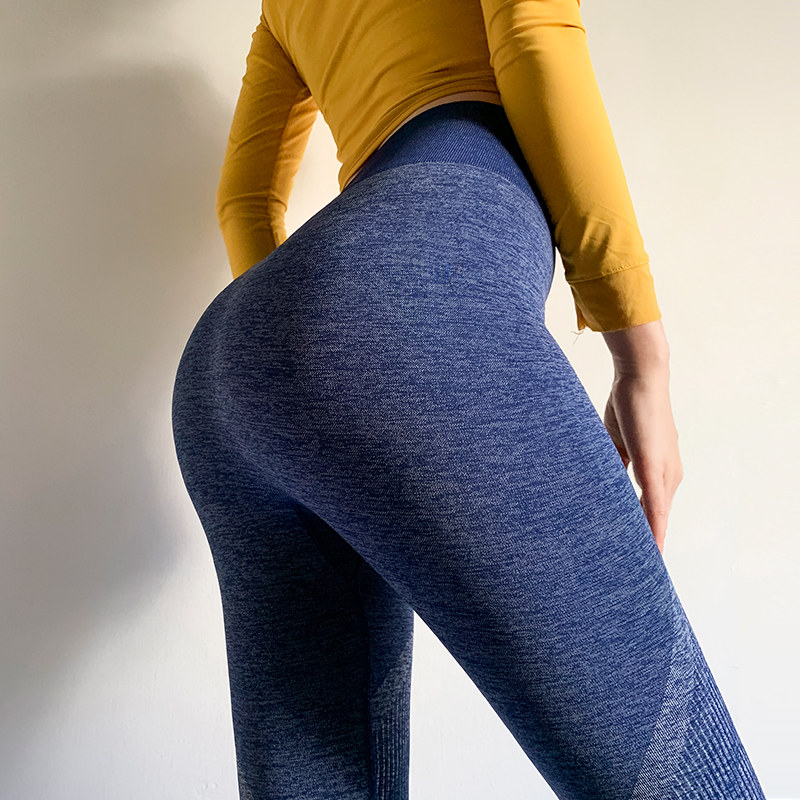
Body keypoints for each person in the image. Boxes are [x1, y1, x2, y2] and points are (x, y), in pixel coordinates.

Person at [170, 1, 767, 798]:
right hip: (405, 287)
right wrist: (641, 357)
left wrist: (298, 355)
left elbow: (243, 199)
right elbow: (536, 39)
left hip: (222, 371)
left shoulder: (283, 10)